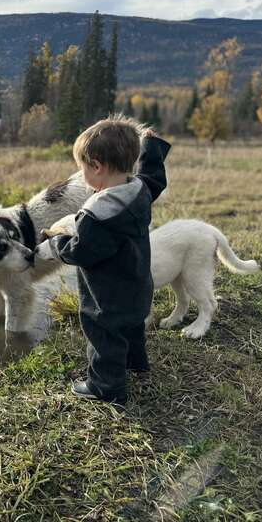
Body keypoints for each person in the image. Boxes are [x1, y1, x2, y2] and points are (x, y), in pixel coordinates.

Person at [39, 114, 171, 405]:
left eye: (82, 168)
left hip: (107, 298)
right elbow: (154, 176)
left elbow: (81, 250)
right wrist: (151, 145)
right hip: (138, 285)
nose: (82, 175)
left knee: (104, 335)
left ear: (97, 166)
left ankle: (105, 386)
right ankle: (136, 364)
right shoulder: (139, 191)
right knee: (132, 325)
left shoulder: (97, 215)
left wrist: (54, 244)